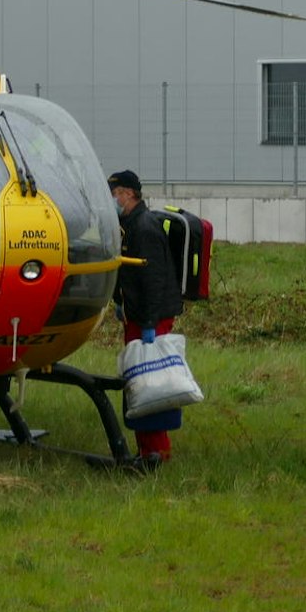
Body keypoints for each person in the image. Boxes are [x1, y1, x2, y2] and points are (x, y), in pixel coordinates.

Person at [109, 168, 185, 466]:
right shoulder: (129, 224)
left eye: (114, 194)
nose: (112, 200)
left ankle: (155, 452)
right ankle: (147, 450)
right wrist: (121, 303)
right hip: (136, 315)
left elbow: (154, 279)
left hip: (148, 319)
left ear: (128, 194)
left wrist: (150, 324)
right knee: (139, 383)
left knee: (150, 382)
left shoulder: (144, 228)